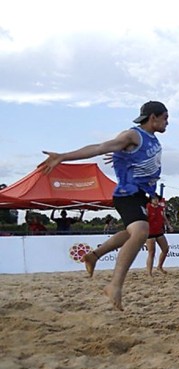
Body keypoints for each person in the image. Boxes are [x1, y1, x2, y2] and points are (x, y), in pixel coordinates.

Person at [38, 100, 168, 311]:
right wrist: (63, 157)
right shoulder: (132, 135)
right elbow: (99, 147)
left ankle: (94, 255)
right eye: (165, 118)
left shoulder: (150, 139)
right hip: (127, 193)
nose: (167, 123)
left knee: (130, 233)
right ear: (153, 117)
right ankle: (115, 285)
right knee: (141, 231)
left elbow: (134, 157)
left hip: (141, 194)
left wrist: (122, 157)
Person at [145, 194, 173, 276]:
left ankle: (159, 266)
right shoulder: (147, 208)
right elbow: (143, 218)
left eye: (157, 199)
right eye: (154, 199)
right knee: (151, 253)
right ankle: (149, 272)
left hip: (159, 231)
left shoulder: (160, 208)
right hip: (149, 233)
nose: (156, 200)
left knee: (165, 249)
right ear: (151, 200)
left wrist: (169, 225)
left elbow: (164, 217)